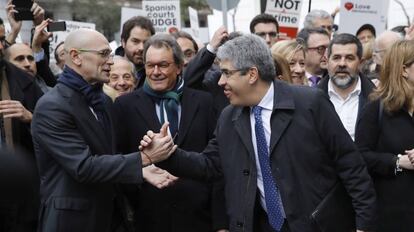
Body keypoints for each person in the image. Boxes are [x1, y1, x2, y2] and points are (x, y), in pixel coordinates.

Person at [144, 34, 377, 232]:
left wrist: (363, 225)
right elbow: (210, 165)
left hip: (317, 224)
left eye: (226, 73)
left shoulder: (309, 103)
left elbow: (350, 164)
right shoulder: (228, 118)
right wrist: (167, 155)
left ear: (252, 74)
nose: (220, 82)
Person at [31, 29, 175, 232]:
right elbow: (83, 167)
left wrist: (140, 171)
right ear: (76, 56)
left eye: (110, 53)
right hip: (72, 222)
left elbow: (107, 156)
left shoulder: (104, 101)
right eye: (103, 54)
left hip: (110, 216)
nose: (111, 61)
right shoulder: (52, 106)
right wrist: (143, 158)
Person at [113, 33, 228, 232]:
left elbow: (219, 164)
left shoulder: (204, 101)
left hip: (200, 218)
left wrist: (221, 224)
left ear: (179, 66)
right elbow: (118, 158)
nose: (156, 72)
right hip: (148, 218)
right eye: (150, 65)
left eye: (163, 65)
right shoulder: (125, 105)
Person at [355, 40, 414, 232]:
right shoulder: (376, 108)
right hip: (392, 215)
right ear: (404, 70)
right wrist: (397, 161)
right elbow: (360, 155)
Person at [317, 33, 375, 140]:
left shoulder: (378, 99)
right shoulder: (311, 100)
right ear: (327, 61)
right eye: (336, 58)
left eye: (349, 58)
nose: (342, 64)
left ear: (361, 63)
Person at [116, 16, 155, 88]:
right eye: (135, 41)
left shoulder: (156, 74)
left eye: (146, 42)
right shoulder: (108, 69)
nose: (141, 48)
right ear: (123, 42)